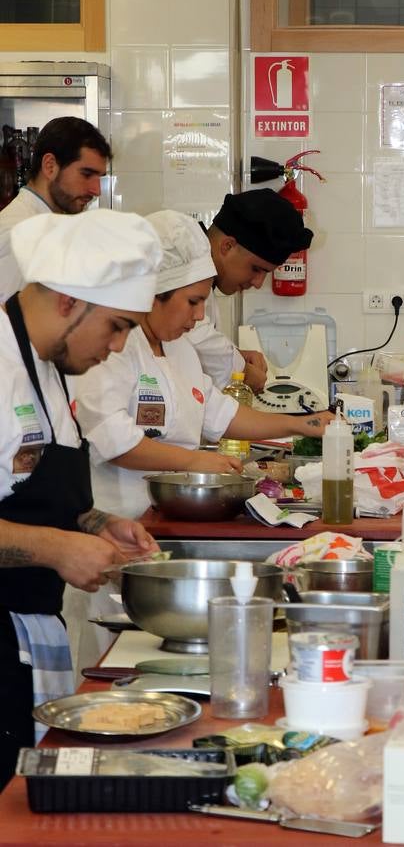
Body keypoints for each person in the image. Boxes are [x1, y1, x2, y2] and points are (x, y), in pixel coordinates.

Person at [0, 209, 162, 790]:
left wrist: (97, 524)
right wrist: (53, 548)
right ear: (69, 301)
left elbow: (37, 496)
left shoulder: (49, 367)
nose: (117, 348)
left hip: (23, 633)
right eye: (116, 326)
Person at [75, 209, 331, 521]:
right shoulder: (111, 349)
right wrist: (193, 461)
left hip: (165, 519)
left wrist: (302, 424)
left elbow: (221, 414)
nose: (199, 317)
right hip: (113, 522)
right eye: (193, 302)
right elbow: (114, 443)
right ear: (152, 294)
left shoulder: (179, 349)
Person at [189, 188, 314, 394]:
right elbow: (194, 336)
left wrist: (236, 356)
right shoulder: (186, 262)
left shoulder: (205, 272)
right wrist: (242, 369)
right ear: (227, 246)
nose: (257, 283)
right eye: (256, 269)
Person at [0, 117, 112, 302]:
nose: (96, 190)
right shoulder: (20, 237)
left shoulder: (43, 228)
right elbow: (8, 327)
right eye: (86, 174)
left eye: (99, 177)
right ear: (50, 166)